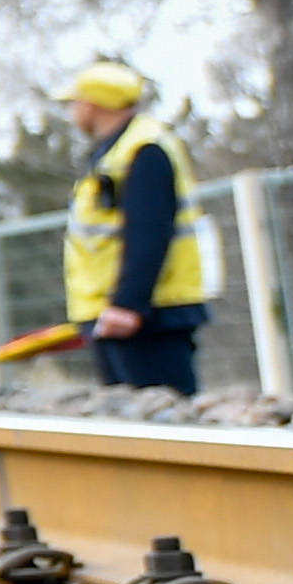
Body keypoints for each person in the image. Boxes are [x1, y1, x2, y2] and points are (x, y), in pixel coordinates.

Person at [60, 58, 207, 395]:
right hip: (119, 314)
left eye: (74, 102)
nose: (72, 112)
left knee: (164, 423)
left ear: (92, 104)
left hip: (144, 318)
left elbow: (149, 231)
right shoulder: (115, 152)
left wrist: (128, 304)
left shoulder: (144, 150)